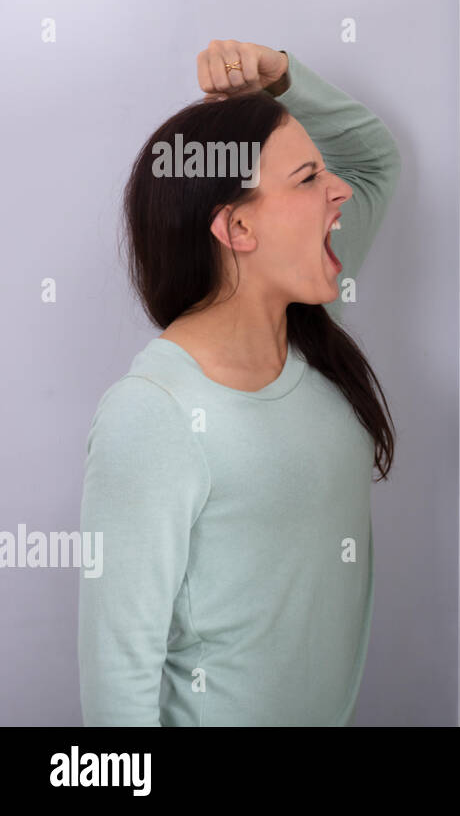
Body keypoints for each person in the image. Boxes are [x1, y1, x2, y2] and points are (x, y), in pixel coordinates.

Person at [78, 41, 401, 725]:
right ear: (238, 226)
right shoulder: (154, 412)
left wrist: (279, 78)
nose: (338, 190)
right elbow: (119, 677)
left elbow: (376, 161)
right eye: (309, 178)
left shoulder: (310, 321)